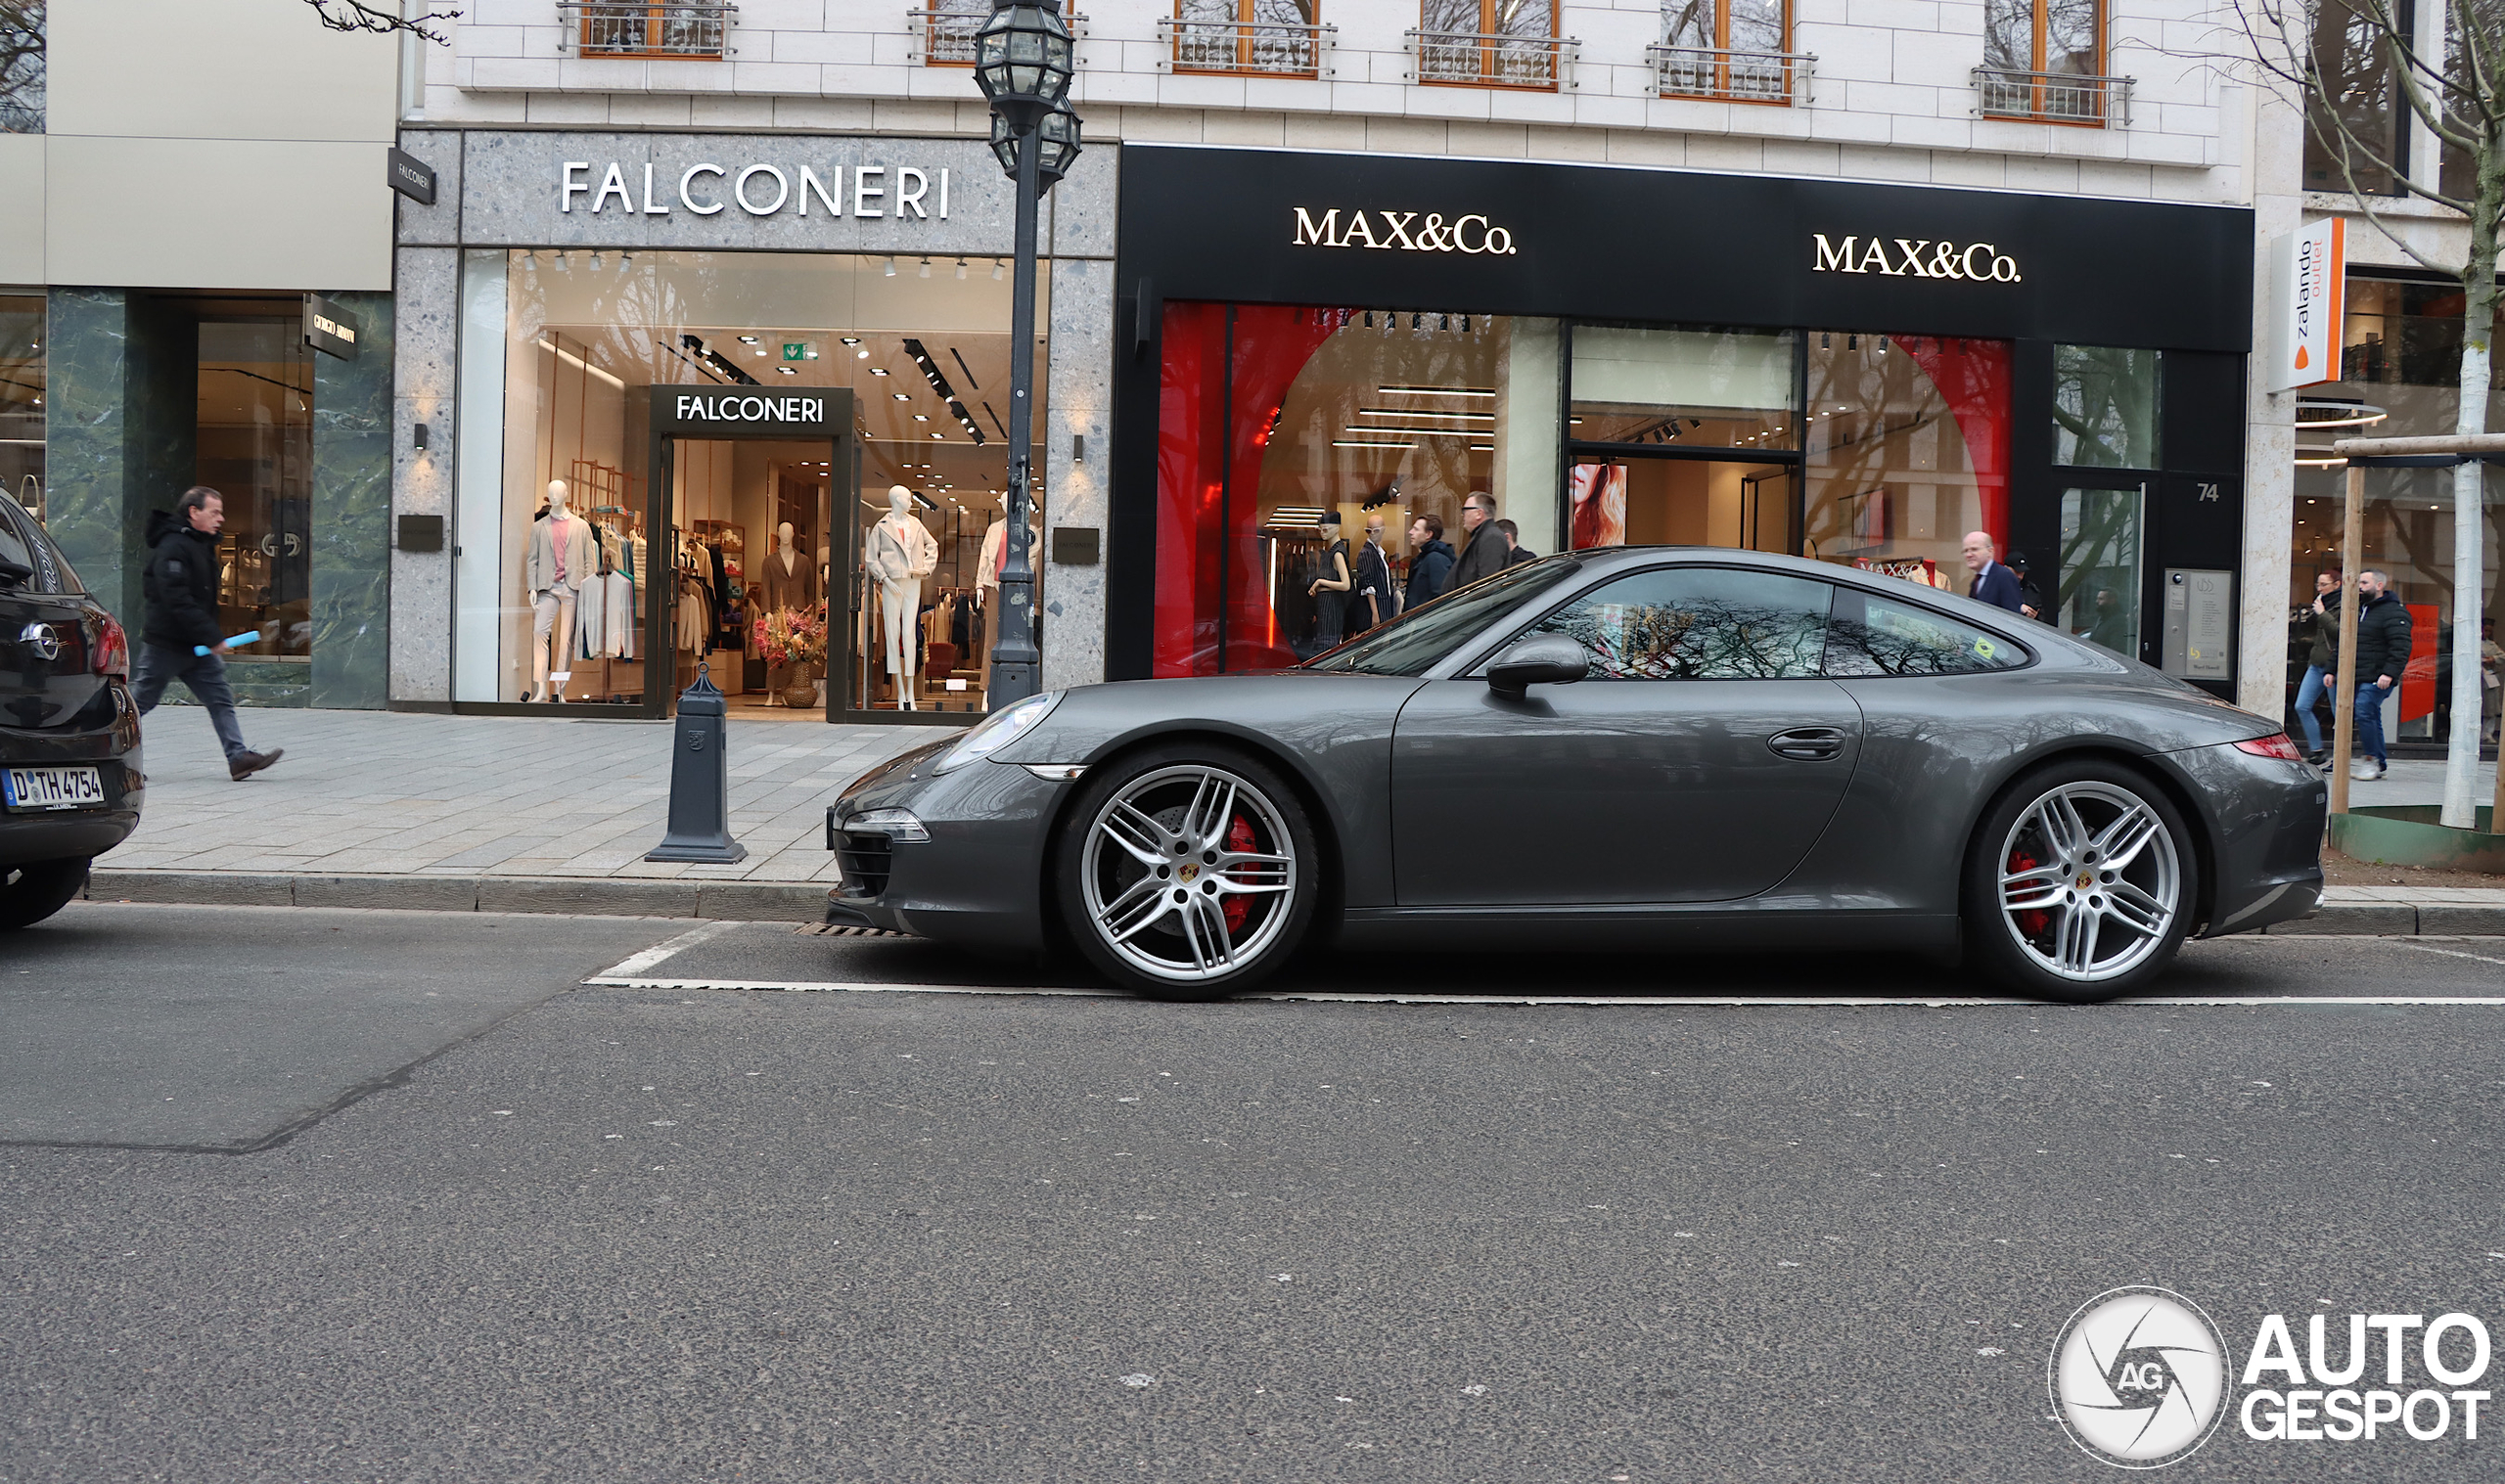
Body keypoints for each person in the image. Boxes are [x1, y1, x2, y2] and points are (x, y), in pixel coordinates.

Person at [135, 485, 284, 782]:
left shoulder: (198, 544)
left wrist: (207, 636)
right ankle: (102, 752)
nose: (221, 518)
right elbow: (175, 598)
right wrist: (212, 635)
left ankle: (238, 758)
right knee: (138, 703)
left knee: (220, 699)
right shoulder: (173, 546)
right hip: (167, 644)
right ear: (194, 512)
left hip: (196, 647)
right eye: (214, 512)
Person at [2347, 567, 2411, 783]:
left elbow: (2401, 646)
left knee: (2364, 710)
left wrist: (2389, 673)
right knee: (2371, 714)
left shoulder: (2394, 612)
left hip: (2378, 675)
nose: (2360, 587)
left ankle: (2370, 760)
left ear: (2379, 585)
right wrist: (2331, 669)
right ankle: (2379, 762)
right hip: (2361, 673)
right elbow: (2347, 642)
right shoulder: (2360, 610)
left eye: (2364, 583)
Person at [2292, 567, 2343, 765]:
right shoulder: (2320, 604)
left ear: (2337, 585)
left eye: (2324, 584)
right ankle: (2317, 750)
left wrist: (2322, 614)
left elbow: (2341, 633)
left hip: (2335, 665)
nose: (2319, 588)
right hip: (2317, 664)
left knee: (2338, 712)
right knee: (2301, 705)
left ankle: (2340, 759)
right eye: (2318, 584)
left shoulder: (2343, 606)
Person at [1304, 512, 1351, 650]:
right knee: (1324, 643)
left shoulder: (1337, 553)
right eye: (1320, 530)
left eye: (1325, 530)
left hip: (1332, 606)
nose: (1322, 533)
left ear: (1336, 528)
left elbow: (1346, 584)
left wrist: (1320, 582)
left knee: (1327, 644)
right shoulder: (1330, 552)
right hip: (1327, 605)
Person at [1448, 492, 1509, 591]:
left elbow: (1487, 585)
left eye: (1465, 510)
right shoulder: (1483, 536)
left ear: (1479, 514)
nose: (1463, 515)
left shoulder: (1492, 537)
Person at [1350, 513, 1396, 632]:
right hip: (1374, 609)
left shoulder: (1379, 553)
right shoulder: (1366, 553)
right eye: (1368, 531)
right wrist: (1375, 613)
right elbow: (1368, 584)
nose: (1372, 534)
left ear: (1383, 530)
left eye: (1375, 530)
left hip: (1383, 605)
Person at [1962, 530, 2025, 612]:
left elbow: (2012, 616)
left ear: (1990, 551)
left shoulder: (2004, 576)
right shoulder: (1976, 581)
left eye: (1974, 549)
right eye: (1966, 550)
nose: (1969, 555)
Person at [1405, 514, 1454, 608]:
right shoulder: (1423, 558)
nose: (1410, 532)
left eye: (1416, 529)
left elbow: (1440, 598)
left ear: (1428, 534)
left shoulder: (1435, 559)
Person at [2004, 548, 2046, 620]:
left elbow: (2041, 618)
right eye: (2016, 572)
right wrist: (2018, 608)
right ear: (2006, 568)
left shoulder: (2032, 591)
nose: (2019, 576)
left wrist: (2033, 617)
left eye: (2022, 572)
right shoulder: (1995, 586)